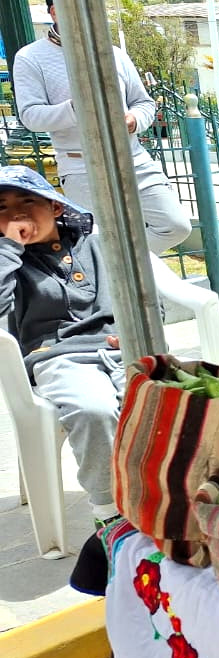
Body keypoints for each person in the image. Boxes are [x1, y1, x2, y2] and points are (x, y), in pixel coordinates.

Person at [12, 0, 191, 256]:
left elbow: (144, 103)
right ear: (54, 13)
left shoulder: (114, 54)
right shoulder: (30, 57)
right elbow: (30, 116)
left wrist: (132, 120)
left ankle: (124, 269)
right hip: (80, 164)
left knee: (175, 226)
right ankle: (114, 281)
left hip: (133, 158)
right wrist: (75, 108)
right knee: (97, 238)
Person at [0, 166, 124, 526]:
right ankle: (109, 511)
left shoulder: (99, 245)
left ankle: (166, 493)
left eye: (27, 200)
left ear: (55, 207)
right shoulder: (9, 263)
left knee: (167, 400)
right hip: (59, 359)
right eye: (2, 207)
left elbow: (145, 296)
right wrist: (10, 248)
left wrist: (131, 333)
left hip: (120, 348)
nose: (17, 213)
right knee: (94, 409)